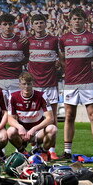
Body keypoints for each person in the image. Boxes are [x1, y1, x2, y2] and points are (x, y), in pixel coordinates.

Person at [59, 8, 93, 159]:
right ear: (70, 21)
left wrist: (92, 75)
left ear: (84, 21)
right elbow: (62, 59)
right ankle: (67, 151)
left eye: (79, 19)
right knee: (69, 115)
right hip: (70, 83)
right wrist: (69, 72)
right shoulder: (64, 39)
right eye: (74, 19)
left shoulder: (91, 38)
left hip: (87, 83)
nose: (77, 21)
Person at [26, 13, 62, 160]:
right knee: (35, 118)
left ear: (45, 24)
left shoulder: (54, 40)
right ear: (32, 25)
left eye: (41, 23)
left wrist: (59, 67)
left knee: (52, 118)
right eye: (36, 23)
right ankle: (35, 147)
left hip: (50, 84)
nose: (39, 25)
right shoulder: (27, 41)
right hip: (35, 86)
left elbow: (61, 59)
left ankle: (52, 150)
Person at [6, 72, 57, 154]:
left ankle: (43, 152)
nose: (26, 87)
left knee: (52, 129)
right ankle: (22, 151)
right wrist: (19, 127)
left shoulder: (41, 96)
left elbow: (50, 118)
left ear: (32, 84)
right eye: (24, 84)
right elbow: (10, 118)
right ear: (19, 85)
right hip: (22, 132)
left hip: (38, 131)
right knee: (10, 131)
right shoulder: (13, 97)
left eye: (29, 84)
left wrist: (34, 129)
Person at [0, 13, 27, 96]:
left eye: (10, 24)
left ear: (14, 25)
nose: (8, 27)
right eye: (5, 24)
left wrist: (19, 63)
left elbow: (28, 57)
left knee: (16, 107)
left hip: (16, 80)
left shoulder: (21, 41)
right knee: (0, 108)